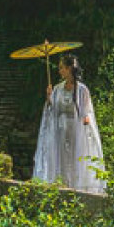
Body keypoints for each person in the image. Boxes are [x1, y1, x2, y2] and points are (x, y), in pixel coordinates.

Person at [32, 54, 105, 194]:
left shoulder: (82, 90)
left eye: (61, 68)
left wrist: (86, 120)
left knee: (75, 159)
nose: (59, 71)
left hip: (75, 131)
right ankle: (61, 187)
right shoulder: (57, 89)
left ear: (69, 68)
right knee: (61, 160)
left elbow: (87, 111)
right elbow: (51, 111)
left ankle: (76, 189)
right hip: (59, 131)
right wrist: (48, 99)